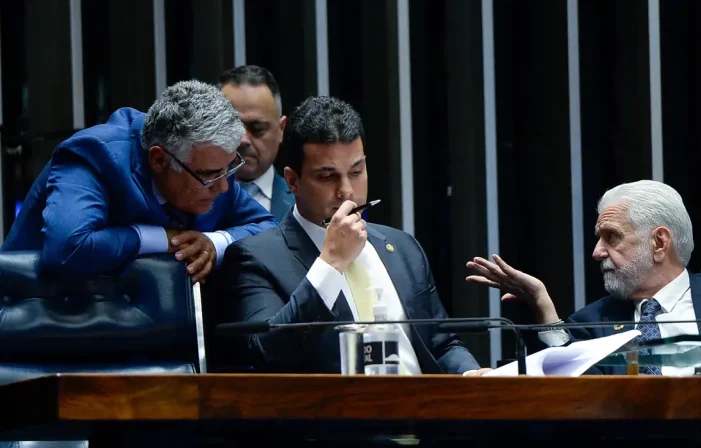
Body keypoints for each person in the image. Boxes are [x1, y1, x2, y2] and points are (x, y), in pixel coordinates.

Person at [219, 96, 483, 375]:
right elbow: (267, 352)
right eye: (327, 177)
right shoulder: (255, 257)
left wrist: (473, 375)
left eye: (356, 172)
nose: (346, 191)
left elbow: (442, 344)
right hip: (340, 414)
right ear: (292, 181)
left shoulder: (403, 247)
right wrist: (330, 265)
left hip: (424, 411)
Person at [2, 80, 278, 283]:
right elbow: (68, 248)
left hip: (161, 335)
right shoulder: (95, 154)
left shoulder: (213, 165)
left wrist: (215, 242)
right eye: (208, 176)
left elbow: (270, 228)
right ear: (158, 160)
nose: (224, 188)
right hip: (44, 323)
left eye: (230, 168)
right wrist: (162, 239)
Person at [466, 180, 701, 375]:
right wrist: (542, 304)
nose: (597, 252)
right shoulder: (591, 324)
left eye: (611, 237)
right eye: (598, 239)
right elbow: (568, 385)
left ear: (659, 243)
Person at [219, 65, 294, 220]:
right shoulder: (186, 200)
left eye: (257, 128)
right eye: (232, 127)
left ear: (281, 129)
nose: (243, 140)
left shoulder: (305, 204)